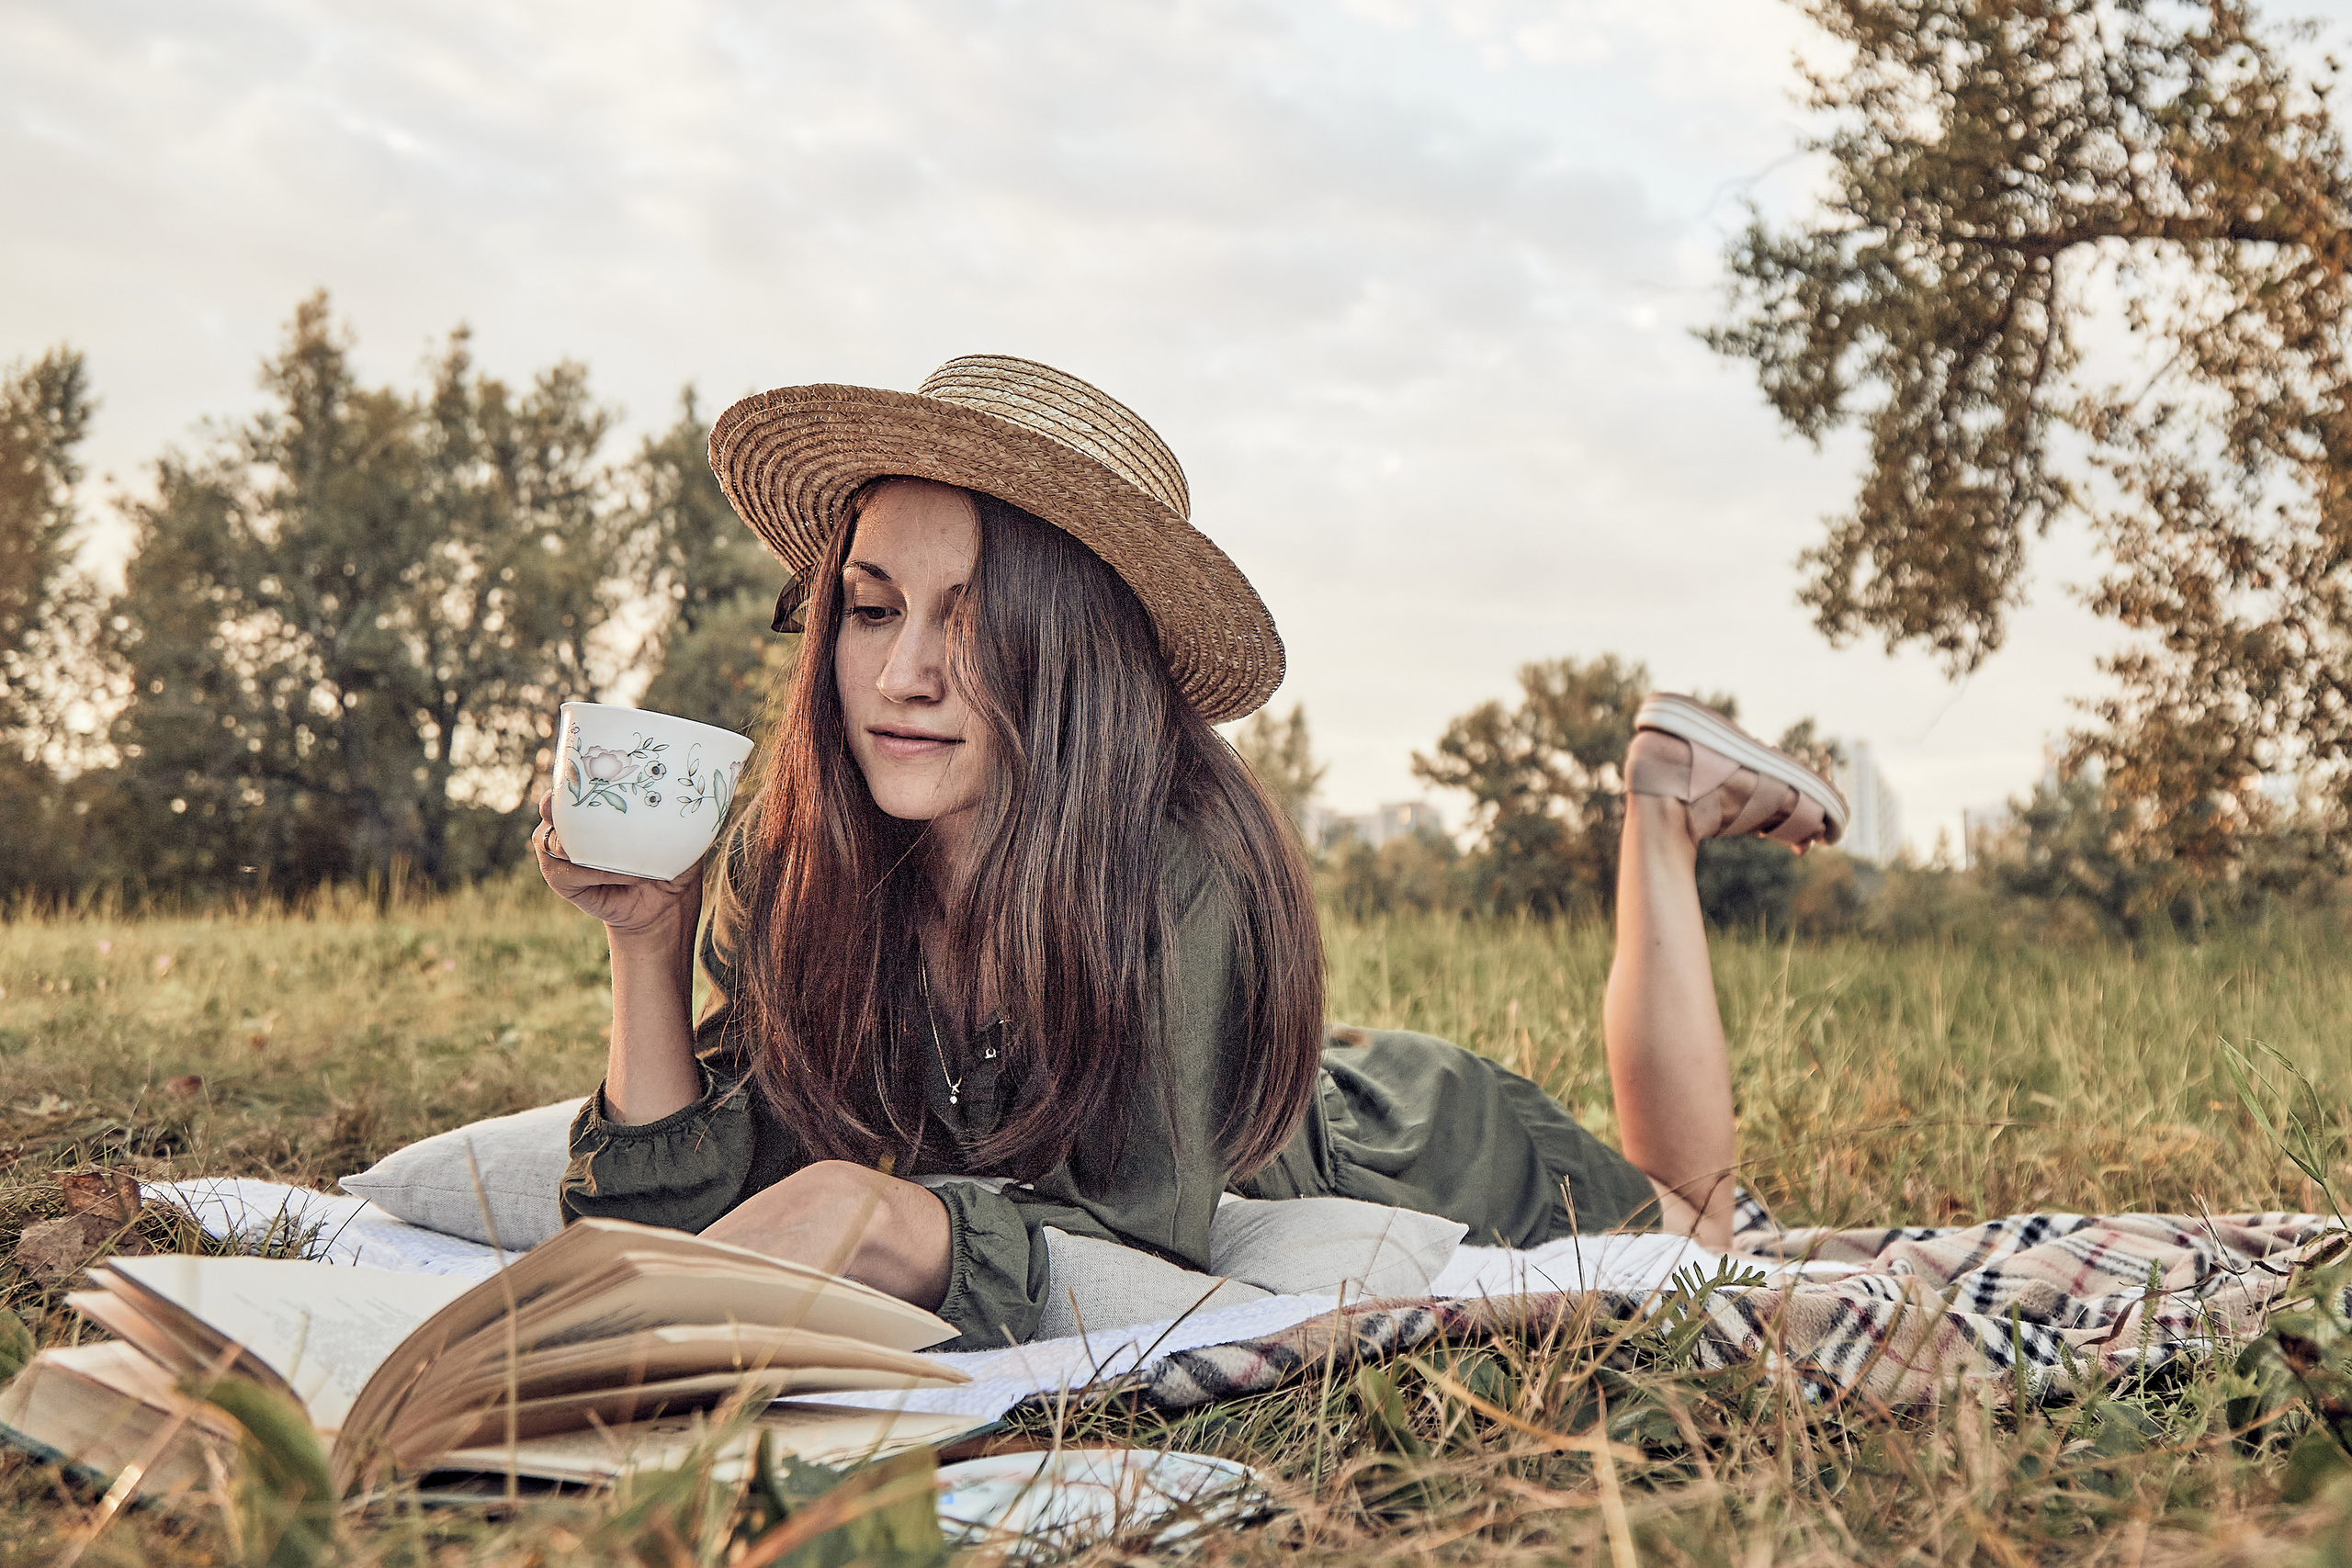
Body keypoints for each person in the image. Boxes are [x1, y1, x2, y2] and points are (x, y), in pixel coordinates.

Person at [535, 355, 1847, 1351]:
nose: (903, 674)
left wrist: (883, 1220)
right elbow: (666, 1217)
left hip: (1410, 1146)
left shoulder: (1175, 872)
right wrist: (646, 945)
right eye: (872, 611)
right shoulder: (798, 865)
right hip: (1272, 1082)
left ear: (1077, 658)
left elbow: (1140, 1239)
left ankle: (1658, 807)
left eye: (972, 625)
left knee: (1701, 1219)